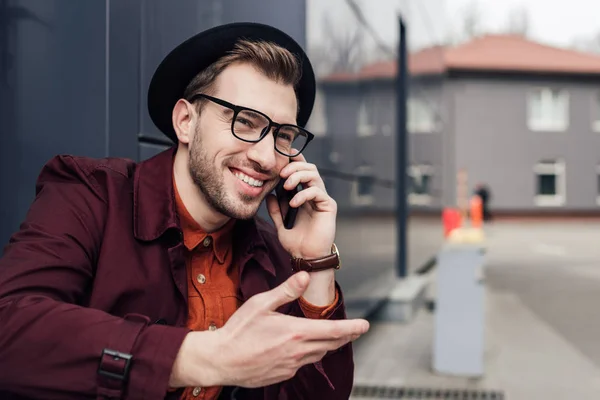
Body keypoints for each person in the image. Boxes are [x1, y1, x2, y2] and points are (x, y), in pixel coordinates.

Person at [0, 22, 369, 400]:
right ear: (186, 122)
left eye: (283, 136)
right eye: (244, 122)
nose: (265, 156)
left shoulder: (274, 252)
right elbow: (10, 330)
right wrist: (202, 358)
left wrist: (316, 261)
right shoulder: (91, 196)